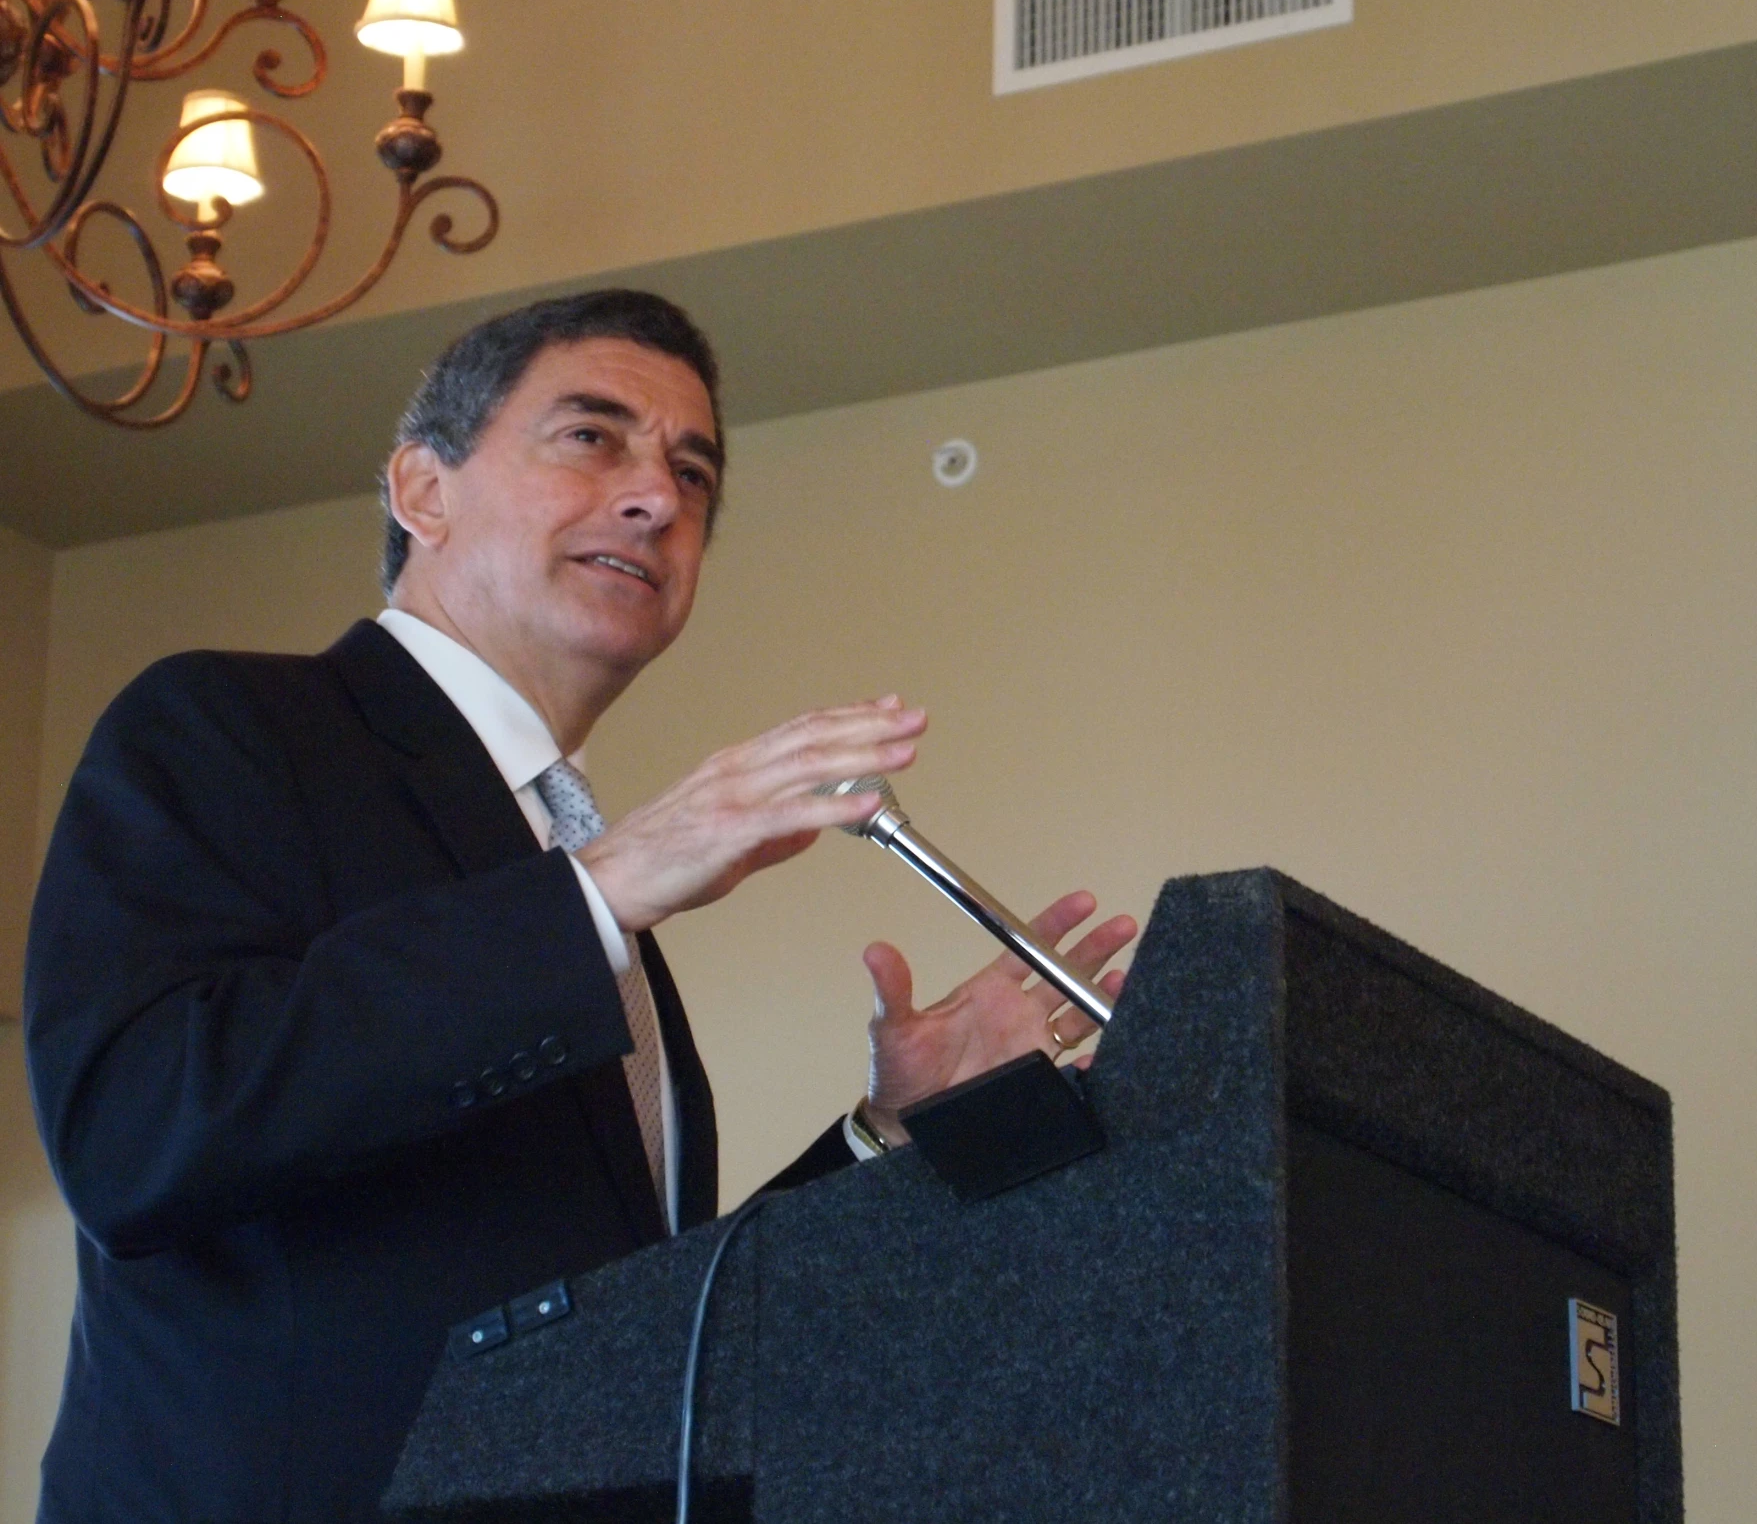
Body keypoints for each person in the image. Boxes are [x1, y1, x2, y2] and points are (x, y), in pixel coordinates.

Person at [21, 290, 1132, 1522]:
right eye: (592, 437)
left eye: (692, 471)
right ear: (422, 492)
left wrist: (886, 1138)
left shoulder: (564, 859)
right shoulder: (228, 727)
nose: (658, 496)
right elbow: (136, 1134)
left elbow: (638, 1333)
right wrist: (602, 887)